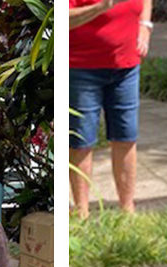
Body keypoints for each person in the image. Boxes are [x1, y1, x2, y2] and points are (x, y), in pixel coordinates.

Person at [70, 0, 153, 219]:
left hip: (126, 65)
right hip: (81, 66)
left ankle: (127, 211)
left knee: (126, 137)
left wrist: (145, 25)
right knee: (81, 141)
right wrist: (103, 6)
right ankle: (81, 214)